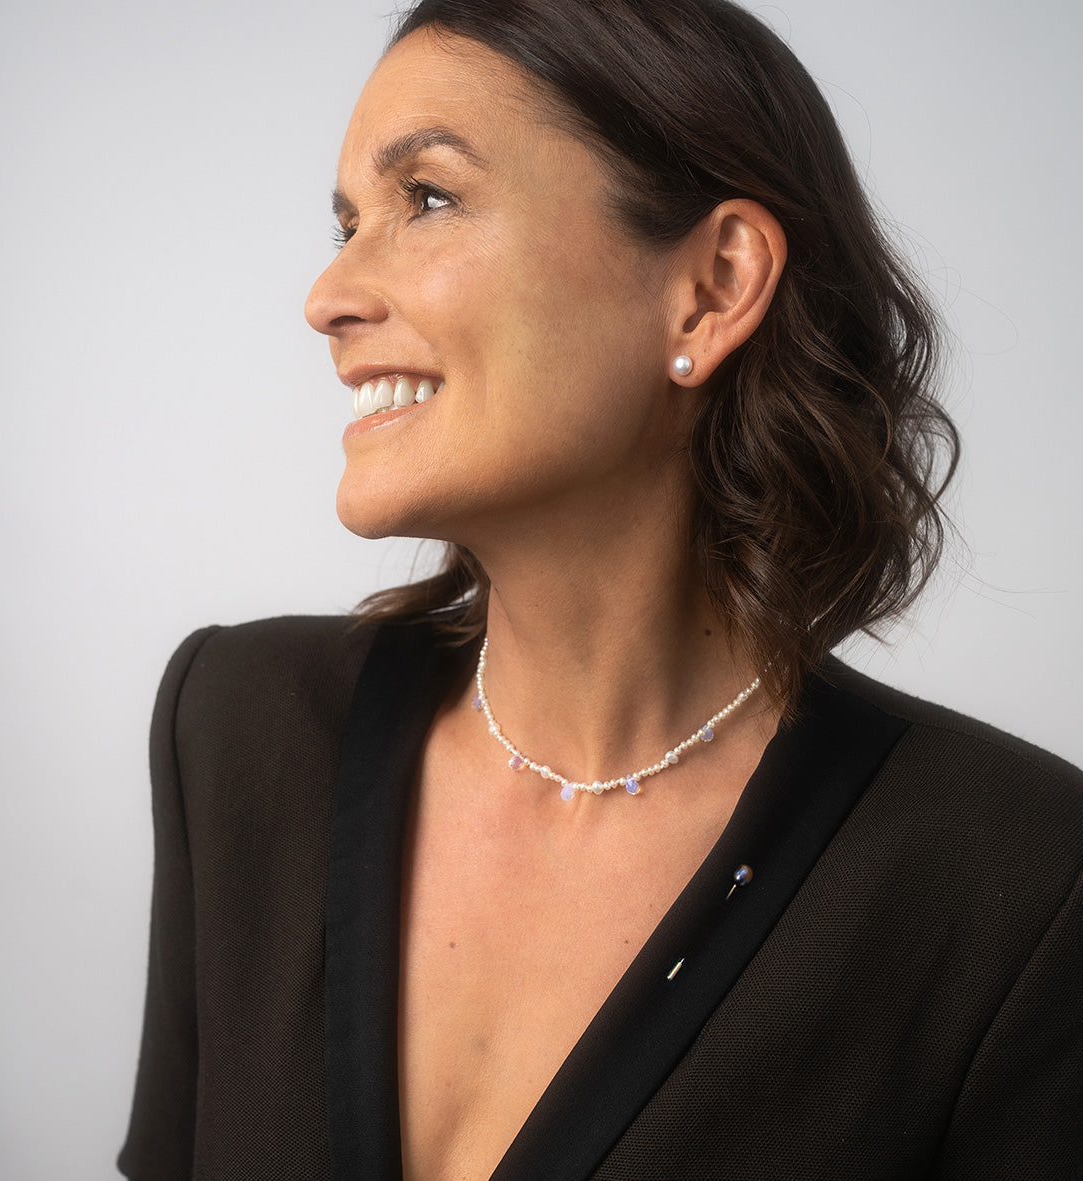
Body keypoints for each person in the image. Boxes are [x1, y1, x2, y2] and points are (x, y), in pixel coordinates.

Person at [118, 1, 1083, 1177]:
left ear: (712, 286)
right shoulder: (238, 726)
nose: (327, 295)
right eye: (345, 223)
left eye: (427, 198)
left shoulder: (1016, 884)